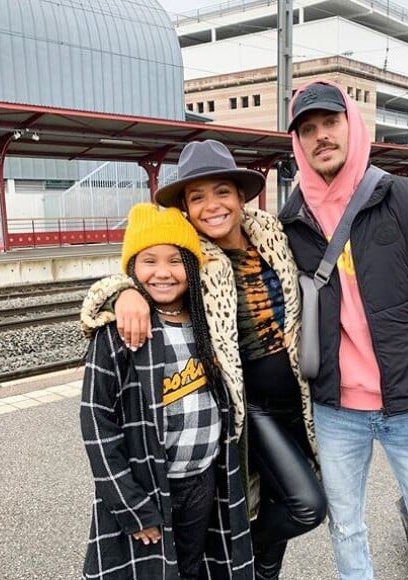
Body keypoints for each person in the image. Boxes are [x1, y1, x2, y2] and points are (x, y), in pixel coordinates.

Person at [80, 141, 327, 580]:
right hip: (252, 408)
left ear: (240, 195)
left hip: (302, 399)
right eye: (197, 197)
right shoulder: (192, 256)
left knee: (277, 504)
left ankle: (257, 570)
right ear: (186, 210)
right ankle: (239, 551)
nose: (212, 206)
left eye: (222, 192)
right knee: (306, 505)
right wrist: (125, 293)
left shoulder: (273, 233)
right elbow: (137, 266)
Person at [277, 80, 408, 580]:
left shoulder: (407, 200)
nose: (321, 136)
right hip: (335, 407)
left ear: (352, 125)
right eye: (308, 129)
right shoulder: (290, 218)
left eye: (330, 123)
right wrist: (125, 290)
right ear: (298, 143)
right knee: (345, 528)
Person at [80, 203, 253, 580]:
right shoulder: (119, 331)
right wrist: (129, 505)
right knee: (147, 571)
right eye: (149, 261)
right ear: (131, 270)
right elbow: (96, 422)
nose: (162, 273)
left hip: (202, 476)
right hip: (147, 483)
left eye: (176, 260)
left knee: (191, 565)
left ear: (191, 267)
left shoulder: (208, 324)